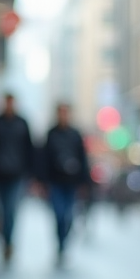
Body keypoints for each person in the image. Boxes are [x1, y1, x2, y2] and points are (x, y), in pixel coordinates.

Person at [0, 92, 35, 264]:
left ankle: (8, 242)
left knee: (11, 210)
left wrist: (31, 174)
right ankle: (3, 235)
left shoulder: (22, 124)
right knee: (1, 209)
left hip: (16, 175)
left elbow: (29, 150)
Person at [41, 102, 90, 265]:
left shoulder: (76, 134)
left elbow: (83, 158)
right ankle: (60, 244)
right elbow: (44, 159)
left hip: (72, 182)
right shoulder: (51, 134)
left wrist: (84, 181)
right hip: (55, 182)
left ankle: (65, 241)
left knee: (68, 215)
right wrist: (43, 182)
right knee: (59, 214)